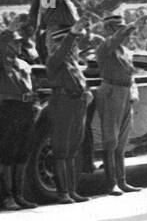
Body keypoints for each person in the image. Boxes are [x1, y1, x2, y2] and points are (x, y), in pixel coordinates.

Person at [93, 12, 143, 195]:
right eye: (117, 28)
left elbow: (131, 76)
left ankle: (122, 181)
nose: (122, 32)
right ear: (108, 30)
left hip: (124, 92)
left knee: (122, 141)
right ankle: (111, 182)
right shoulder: (104, 47)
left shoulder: (126, 51)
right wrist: (131, 26)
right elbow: (114, 40)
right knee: (110, 140)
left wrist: (133, 93)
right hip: (111, 91)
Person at [45, 20, 93, 204]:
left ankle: (72, 190)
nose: (75, 46)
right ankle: (63, 192)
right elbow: (62, 51)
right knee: (61, 149)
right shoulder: (55, 60)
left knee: (73, 148)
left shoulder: (73, 63)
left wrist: (87, 92)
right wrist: (71, 33)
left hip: (76, 104)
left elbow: (81, 82)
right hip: (63, 103)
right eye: (72, 43)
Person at [0, 28, 39, 210]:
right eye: (13, 42)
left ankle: (19, 194)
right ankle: (8, 196)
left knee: (24, 151)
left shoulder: (23, 64)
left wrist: (35, 105)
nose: (17, 45)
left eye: (18, 42)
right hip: (8, 108)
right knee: (8, 153)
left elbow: (33, 87)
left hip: (26, 108)